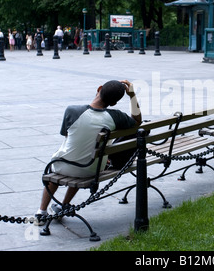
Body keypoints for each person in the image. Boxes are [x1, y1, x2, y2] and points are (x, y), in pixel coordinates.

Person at [34, 80, 142, 225]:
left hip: (65, 167)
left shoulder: (72, 110)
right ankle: (64, 205)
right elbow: (137, 120)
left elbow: (66, 136)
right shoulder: (116, 117)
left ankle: (41, 211)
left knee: (58, 165)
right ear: (114, 103)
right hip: (92, 170)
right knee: (84, 158)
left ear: (99, 88)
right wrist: (132, 95)